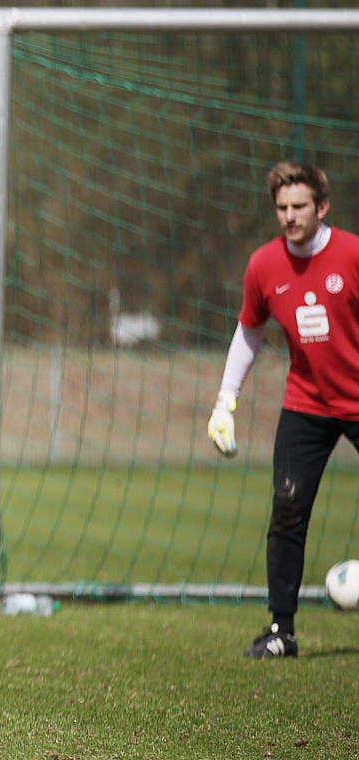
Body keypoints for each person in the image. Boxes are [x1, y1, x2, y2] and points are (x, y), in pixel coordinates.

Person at [207, 160, 359, 659]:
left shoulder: (352, 255)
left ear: (323, 206)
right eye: (281, 208)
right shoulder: (263, 265)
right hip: (306, 404)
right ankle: (281, 632)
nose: (290, 216)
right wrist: (226, 401)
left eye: (299, 206)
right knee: (288, 509)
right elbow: (249, 331)